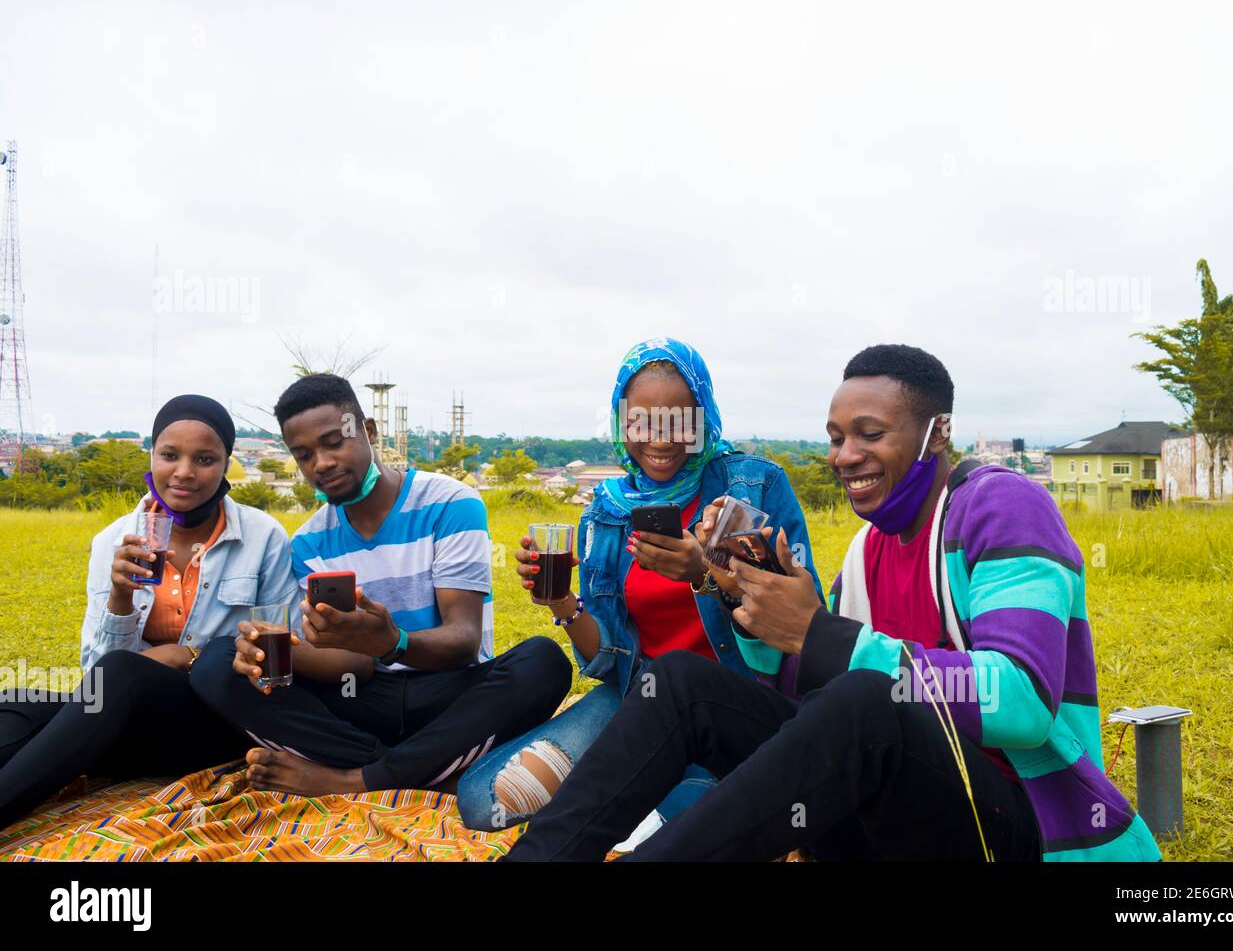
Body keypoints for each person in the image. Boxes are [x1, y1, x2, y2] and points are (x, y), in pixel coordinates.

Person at [504, 343, 1163, 862]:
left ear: (937, 433)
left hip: (1016, 831)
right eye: (836, 437)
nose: (846, 456)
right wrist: (753, 605)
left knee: (867, 697)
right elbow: (809, 701)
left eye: (870, 434)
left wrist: (820, 634)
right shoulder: (866, 552)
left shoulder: (999, 503)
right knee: (680, 682)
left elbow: (1022, 702)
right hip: (887, 823)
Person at [456, 337, 822, 844]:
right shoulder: (605, 512)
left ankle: (679, 787)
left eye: (679, 419)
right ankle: (661, 784)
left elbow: (804, 627)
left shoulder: (750, 488)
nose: (661, 438)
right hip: (639, 697)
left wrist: (706, 574)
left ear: (704, 415)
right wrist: (563, 604)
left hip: (738, 704)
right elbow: (607, 659)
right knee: (485, 801)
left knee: (665, 830)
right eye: (641, 421)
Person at [189, 373, 572, 797]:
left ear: (368, 431)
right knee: (218, 662)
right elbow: (351, 668)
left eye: (334, 442)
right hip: (364, 700)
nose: (321, 463)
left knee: (543, 660)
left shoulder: (449, 502)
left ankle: (355, 778)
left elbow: (463, 641)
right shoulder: (308, 542)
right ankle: (418, 767)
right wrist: (274, 652)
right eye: (304, 454)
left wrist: (392, 642)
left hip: (450, 695)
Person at [0, 395, 298, 829]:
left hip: (222, 721)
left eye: (205, 459)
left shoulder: (262, 537)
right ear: (152, 455)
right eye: (169, 455)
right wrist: (120, 596)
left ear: (226, 465)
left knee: (122, 672)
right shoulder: (114, 542)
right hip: (131, 719)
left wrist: (191, 659)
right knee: (15, 704)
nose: (184, 473)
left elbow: (281, 658)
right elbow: (94, 679)